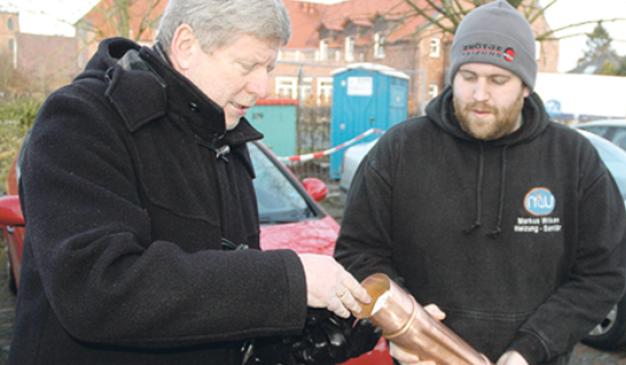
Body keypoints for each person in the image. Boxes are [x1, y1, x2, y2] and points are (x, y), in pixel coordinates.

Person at [10, 0, 376, 364]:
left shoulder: (225, 140)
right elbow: (96, 289)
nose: (261, 86)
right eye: (248, 65)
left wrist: (307, 340)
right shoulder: (84, 119)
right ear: (187, 47)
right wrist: (288, 280)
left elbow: (218, 308)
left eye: (269, 67)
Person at [334, 1, 626, 364]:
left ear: (525, 86)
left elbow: (603, 271)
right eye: (468, 77)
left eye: (498, 80)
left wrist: (534, 345)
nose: (479, 94)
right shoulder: (400, 151)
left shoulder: (572, 159)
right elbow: (358, 252)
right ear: (452, 74)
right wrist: (404, 320)